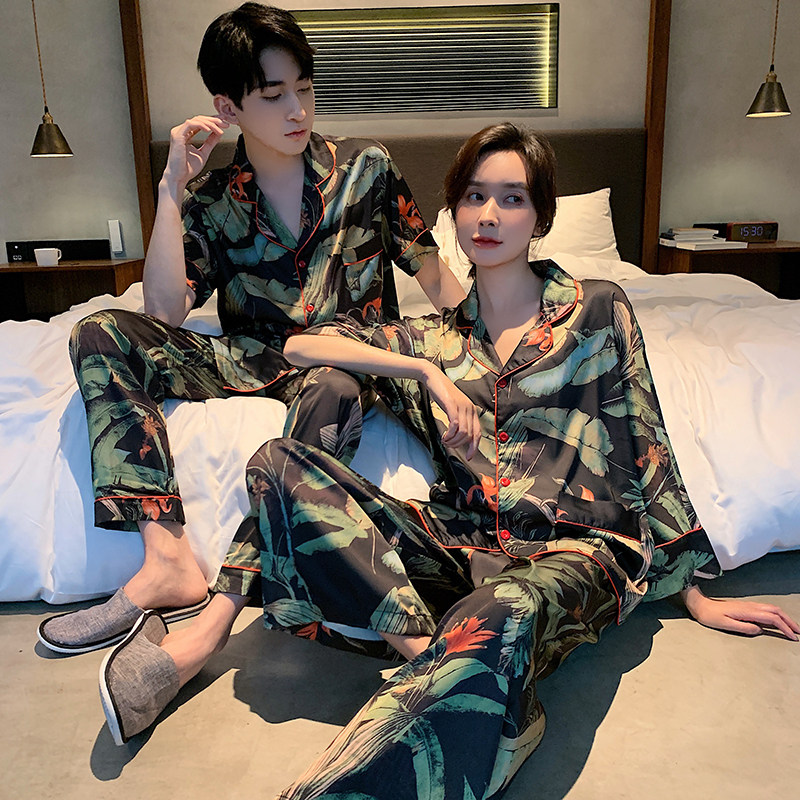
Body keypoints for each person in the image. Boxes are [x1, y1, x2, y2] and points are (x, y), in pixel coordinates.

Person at [98, 123, 799, 795]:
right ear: (452, 214)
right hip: (461, 545)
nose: (489, 214)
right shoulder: (428, 341)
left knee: (504, 607)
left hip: (574, 551)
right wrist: (426, 373)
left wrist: (692, 592)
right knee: (277, 464)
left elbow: (646, 443)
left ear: (541, 217)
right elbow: (300, 346)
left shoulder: (596, 310)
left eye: (512, 198)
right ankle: (445, 663)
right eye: (473, 197)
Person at [37, 2, 465, 656]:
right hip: (250, 357)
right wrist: (172, 191)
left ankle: (231, 601)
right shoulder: (213, 200)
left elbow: (434, 278)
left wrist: (492, 352)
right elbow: (164, 312)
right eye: (273, 95)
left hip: (344, 358)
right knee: (99, 333)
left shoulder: (368, 170)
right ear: (228, 107)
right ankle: (167, 557)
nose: (298, 109)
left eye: (305, 88)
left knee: (335, 387)